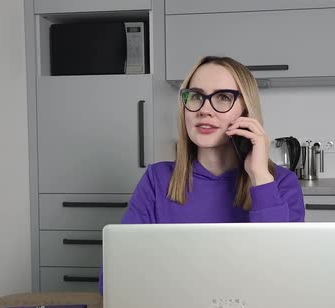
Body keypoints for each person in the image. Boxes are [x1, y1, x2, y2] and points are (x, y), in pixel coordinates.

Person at [99, 56, 304, 293]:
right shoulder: (157, 179)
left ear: (247, 111)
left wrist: (259, 176)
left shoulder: (280, 184)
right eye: (196, 96)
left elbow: (282, 276)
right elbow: (116, 277)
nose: (204, 110)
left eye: (223, 97)